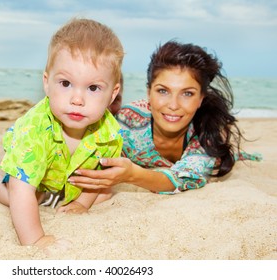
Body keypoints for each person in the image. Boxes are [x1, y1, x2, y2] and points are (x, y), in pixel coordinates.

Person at [0, 18, 124, 248]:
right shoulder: (34, 127)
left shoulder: (110, 133)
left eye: (93, 88)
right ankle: (1, 184)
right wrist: (36, 239)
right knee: (15, 194)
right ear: (47, 82)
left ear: (112, 94)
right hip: (29, 176)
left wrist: (82, 203)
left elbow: (96, 178)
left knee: (105, 190)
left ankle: (56, 196)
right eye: (65, 83)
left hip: (66, 179)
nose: (77, 99)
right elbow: (23, 189)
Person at [68, 40, 261, 194]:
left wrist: (133, 175)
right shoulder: (127, 122)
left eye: (187, 93)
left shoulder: (205, 135)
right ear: (149, 92)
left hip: (219, 149)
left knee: (232, 152)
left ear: (201, 98)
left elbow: (182, 178)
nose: (173, 105)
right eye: (163, 91)